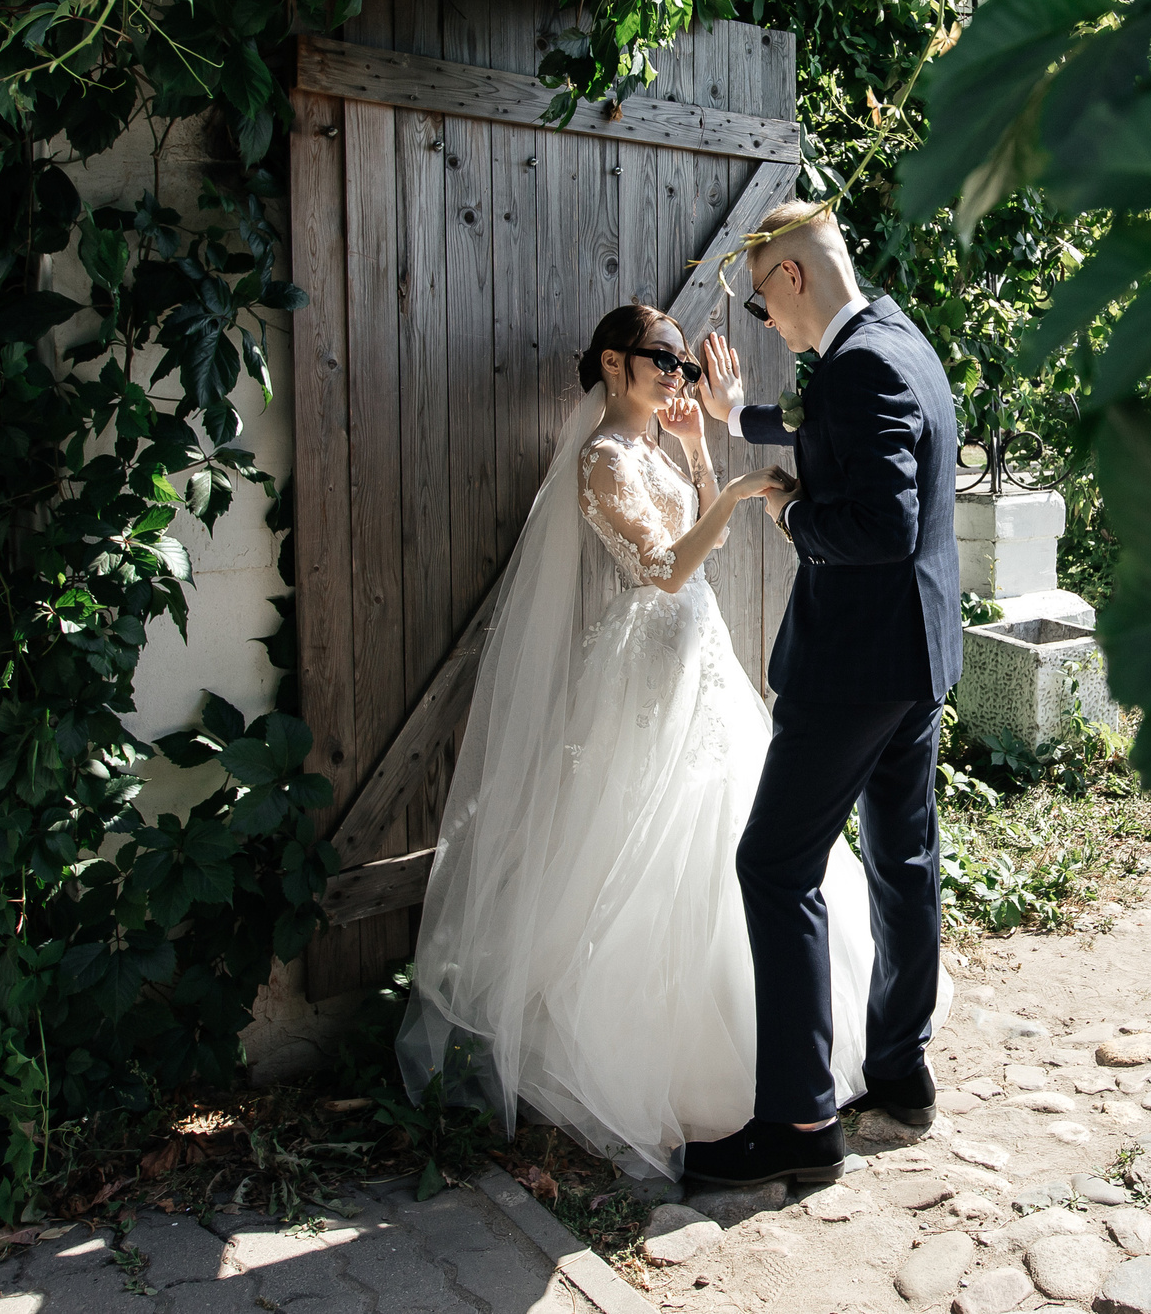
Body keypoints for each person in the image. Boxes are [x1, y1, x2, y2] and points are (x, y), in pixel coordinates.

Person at [395, 303, 885, 1181]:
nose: (678, 375)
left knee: (735, 828)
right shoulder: (600, 461)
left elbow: (699, 533)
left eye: (684, 366)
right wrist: (735, 492)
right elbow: (664, 569)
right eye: (664, 359)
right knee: (651, 844)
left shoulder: (656, 450)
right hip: (648, 664)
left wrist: (702, 454)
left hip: (700, 657)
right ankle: (664, 1061)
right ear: (615, 364)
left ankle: (791, 1059)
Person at [681, 199, 964, 1189]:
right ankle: (898, 1075)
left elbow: (878, 524)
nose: (767, 325)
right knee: (901, 858)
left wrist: (791, 511)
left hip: (853, 669)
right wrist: (735, 421)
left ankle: (799, 1129)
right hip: (912, 659)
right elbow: (825, 429)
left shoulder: (863, 364)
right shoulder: (897, 342)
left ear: (790, 275)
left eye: (761, 305)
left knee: (773, 866)